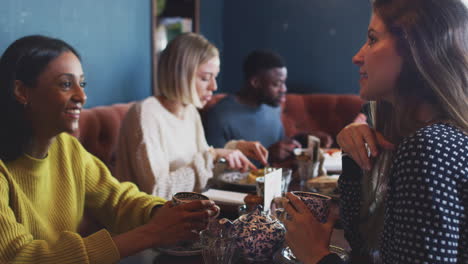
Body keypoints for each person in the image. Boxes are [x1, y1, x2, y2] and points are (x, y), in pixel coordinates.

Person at [0, 35, 219, 263]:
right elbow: (19, 257)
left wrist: (162, 212)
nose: (82, 96)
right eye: (66, 84)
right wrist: (153, 232)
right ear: (21, 91)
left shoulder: (68, 149)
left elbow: (119, 201)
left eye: (81, 84)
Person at [284, 0, 468, 263]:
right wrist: (352, 159)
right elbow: (364, 246)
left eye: (372, 39)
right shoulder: (424, 139)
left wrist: (316, 255)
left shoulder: (431, 148)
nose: (357, 56)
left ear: (418, 50)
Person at [115, 33, 268, 200]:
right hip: (152, 221)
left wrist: (232, 150)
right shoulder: (145, 114)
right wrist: (213, 156)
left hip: (187, 214)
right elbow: (157, 193)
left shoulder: (190, 111)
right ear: (179, 75)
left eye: (214, 77)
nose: (214, 86)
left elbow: (202, 175)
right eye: (205, 78)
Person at [203, 49, 332, 166]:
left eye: (284, 82)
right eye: (277, 84)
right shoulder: (221, 116)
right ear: (255, 82)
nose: (284, 89)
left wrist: (305, 139)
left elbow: (279, 144)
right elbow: (215, 167)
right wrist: (268, 156)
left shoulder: (273, 108)